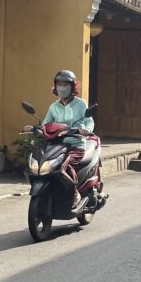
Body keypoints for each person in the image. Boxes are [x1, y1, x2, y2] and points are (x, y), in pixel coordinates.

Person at [25, 70, 94, 206]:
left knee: (64, 164)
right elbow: (46, 124)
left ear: (73, 87)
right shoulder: (54, 107)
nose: (62, 87)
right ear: (55, 86)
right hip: (56, 144)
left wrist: (86, 130)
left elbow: (89, 121)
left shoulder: (80, 104)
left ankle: (75, 193)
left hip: (76, 143)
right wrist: (34, 128)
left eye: (65, 84)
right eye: (59, 84)